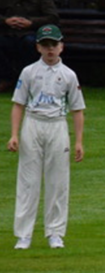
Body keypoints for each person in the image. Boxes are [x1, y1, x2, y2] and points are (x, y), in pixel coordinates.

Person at [7, 24, 84, 251]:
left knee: (58, 181)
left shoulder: (69, 75)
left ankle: (55, 233)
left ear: (61, 46)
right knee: (28, 180)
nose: (50, 49)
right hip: (33, 123)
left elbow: (77, 110)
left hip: (57, 125)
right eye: (45, 45)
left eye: (54, 45)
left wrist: (78, 141)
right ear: (38, 47)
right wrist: (14, 135)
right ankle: (23, 235)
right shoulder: (29, 72)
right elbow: (18, 104)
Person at [0, 0, 59, 92]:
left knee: (31, 44)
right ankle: (7, 78)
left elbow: (52, 17)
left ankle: (30, 80)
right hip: (8, 32)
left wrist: (31, 23)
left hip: (32, 33)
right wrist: (6, 21)